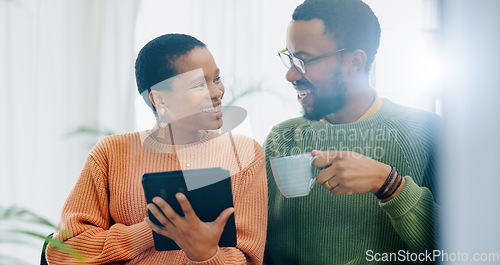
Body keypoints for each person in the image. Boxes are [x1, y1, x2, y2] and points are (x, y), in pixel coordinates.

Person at [46, 33, 267, 264]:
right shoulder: (112, 153)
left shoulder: (243, 154)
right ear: (160, 100)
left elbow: (247, 258)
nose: (217, 92)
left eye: (216, 78)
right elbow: (63, 252)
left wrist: (204, 253)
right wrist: (154, 228)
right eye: (198, 84)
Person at [263, 0, 439, 264]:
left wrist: (389, 184)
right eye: (289, 58)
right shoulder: (281, 139)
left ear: (355, 62)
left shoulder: (426, 132)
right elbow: (257, 247)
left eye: (303, 60)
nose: (290, 74)